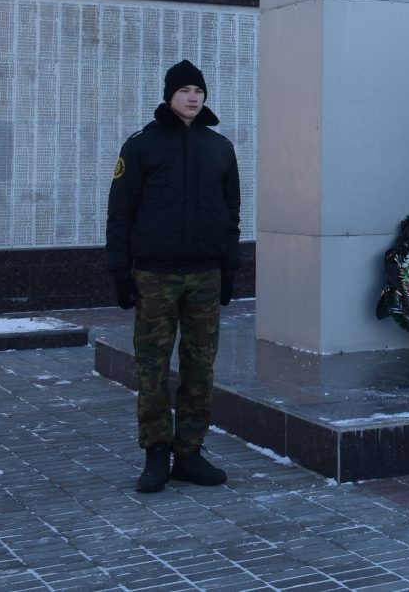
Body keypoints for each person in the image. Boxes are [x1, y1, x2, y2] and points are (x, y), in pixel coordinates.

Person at [106, 59, 241, 493]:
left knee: (200, 368)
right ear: (169, 96)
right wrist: (120, 272)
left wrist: (229, 267)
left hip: (204, 275)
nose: (192, 97)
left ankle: (189, 453)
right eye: (184, 90)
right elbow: (120, 213)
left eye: (198, 90)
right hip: (155, 276)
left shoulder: (219, 147)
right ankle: (156, 453)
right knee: (153, 368)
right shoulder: (141, 146)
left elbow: (230, 213)